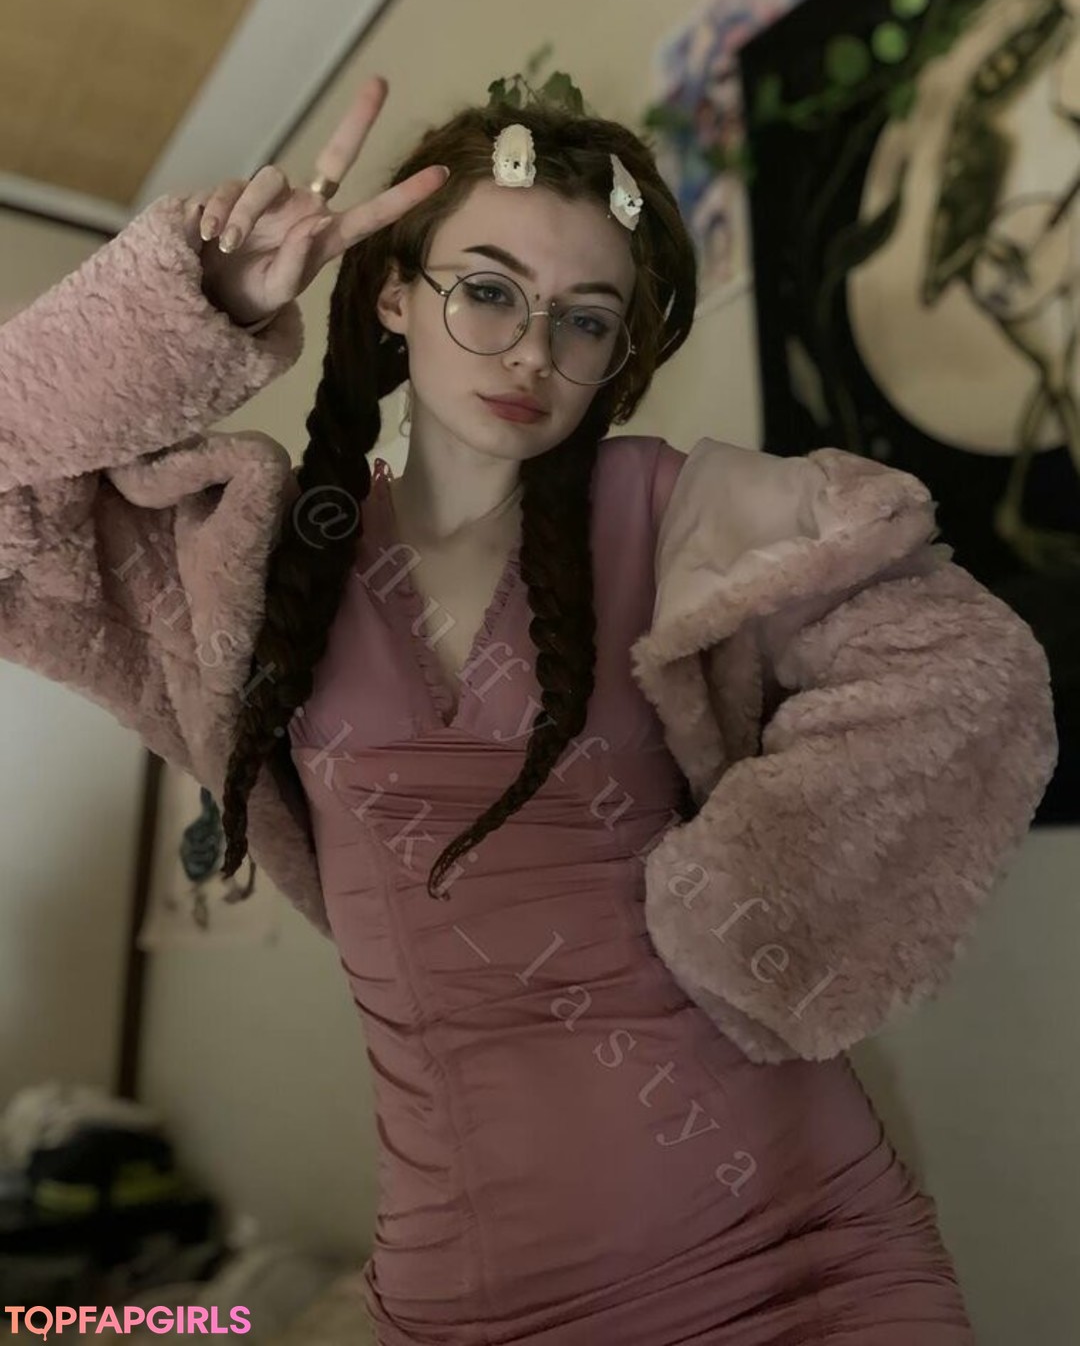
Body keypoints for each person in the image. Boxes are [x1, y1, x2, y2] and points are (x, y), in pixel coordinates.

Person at [3, 72, 1034, 1344]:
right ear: (394, 296)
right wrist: (198, 307)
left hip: (804, 1249)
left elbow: (967, 660)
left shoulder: (677, 509)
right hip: (472, 1300)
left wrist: (744, 900)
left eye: (584, 319)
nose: (534, 352)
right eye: (488, 291)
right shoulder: (259, 555)